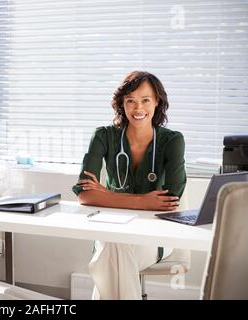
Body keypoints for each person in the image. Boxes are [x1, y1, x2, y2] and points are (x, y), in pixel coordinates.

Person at [72, 70, 186, 299]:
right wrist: (144, 201)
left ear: (157, 102)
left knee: (113, 252)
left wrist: (107, 196)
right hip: (110, 232)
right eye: (130, 101)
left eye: (145, 100)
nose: (138, 108)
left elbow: (169, 201)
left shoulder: (172, 141)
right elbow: (85, 194)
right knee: (116, 243)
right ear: (121, 104)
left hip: (155, 236)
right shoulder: (104, 136)